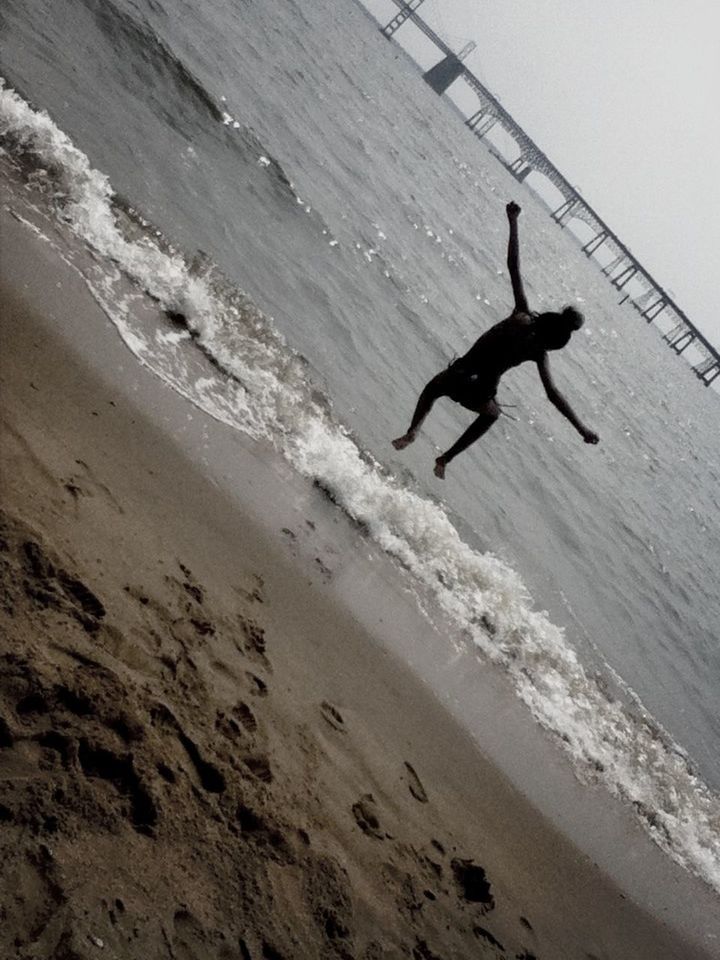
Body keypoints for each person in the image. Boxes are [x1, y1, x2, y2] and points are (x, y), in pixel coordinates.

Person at [392, 200, 599, 478]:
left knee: (433, 388)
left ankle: (413, 431)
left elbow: (513, 265)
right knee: (492, 414)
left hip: (460, 374)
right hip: (481, 392)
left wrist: (512, 221)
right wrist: (581, 428)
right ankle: (445, 459)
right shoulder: (540, 352)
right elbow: (552, 395)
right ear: (558, 340)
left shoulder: (522, 314)